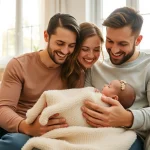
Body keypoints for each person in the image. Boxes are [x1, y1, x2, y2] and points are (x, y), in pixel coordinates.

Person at [0, 13, 80, 150]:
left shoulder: (75, 72)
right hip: (18, 129)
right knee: (18, 143)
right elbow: (3, 109)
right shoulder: (19, 65)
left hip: (55, 134)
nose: (65, 51)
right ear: (46, 36)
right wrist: (27, 127)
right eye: (60, 43)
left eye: (71, 45)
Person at [82, 7, 150, 150]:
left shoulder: (147, 66)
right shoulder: (95, 67)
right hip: (94, 134)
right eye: (110, 41)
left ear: (138, 40)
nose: (114, 50)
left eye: (122, 44)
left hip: (131, 137)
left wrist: (127, 118)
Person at [62, 22, 104, 88]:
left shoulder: (90, 71)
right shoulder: (64, 69)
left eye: (96, 50)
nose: (91, 55)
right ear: (75, 47)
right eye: (85, 49)